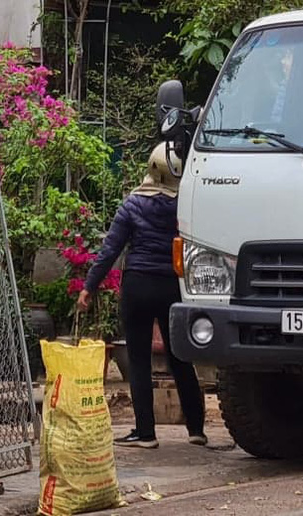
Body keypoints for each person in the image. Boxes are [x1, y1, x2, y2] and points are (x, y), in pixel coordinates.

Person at [76, 145, 208, 449]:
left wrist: (89, 287)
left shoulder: (132, 205)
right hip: (173, 286)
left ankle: (145, 433)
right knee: (180, 357)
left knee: (138, 360)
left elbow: (111, 249)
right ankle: (196, 429)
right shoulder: (186, 205)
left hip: (137, 284)